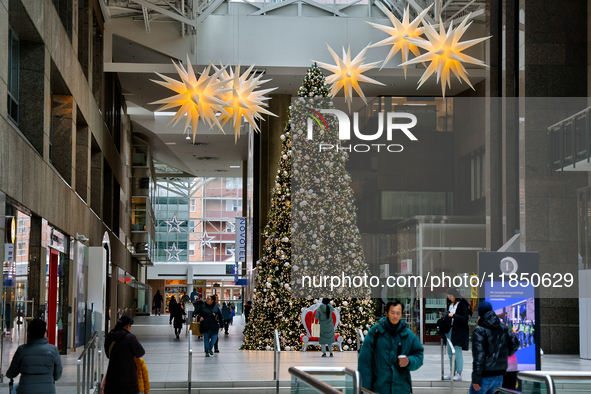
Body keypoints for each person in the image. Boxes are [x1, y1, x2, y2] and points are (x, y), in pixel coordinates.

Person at [358, 300, 424, 394]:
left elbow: (418, 354)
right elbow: (364, 362)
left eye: (398, 313)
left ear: (401, 314)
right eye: (392, 313)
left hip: (401, 388)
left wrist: (409, 361)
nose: (395, 316)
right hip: (379, 387)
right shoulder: (375, 332)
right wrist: (365, 390)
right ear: (386, 313)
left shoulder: (408, 335)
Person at [471, 301, 520, 394]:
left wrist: (476, 379)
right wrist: (507, 353)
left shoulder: (479, 330)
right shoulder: (503, 327)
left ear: (480, 314)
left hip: (484, 376)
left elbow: (479, 357)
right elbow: (515, 343)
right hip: (499, 375)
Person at [6, 319, 62, 394]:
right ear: (45, 333)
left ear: (29, 333)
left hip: (26, 390)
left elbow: (11, 373)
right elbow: (57, 375)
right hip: (48, 390)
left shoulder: (22, 350)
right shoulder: (53, 350)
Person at [104, 315, 146, 394]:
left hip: (112, 377)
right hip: (128, 378)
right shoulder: (130, 338)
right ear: (127, 325)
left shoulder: (110, 337)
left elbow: (108, 354)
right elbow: (140, 352)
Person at [439, 288, 472, 381]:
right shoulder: (451, 304)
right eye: (448, 297)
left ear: (454, 295)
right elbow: (451, 315)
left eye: (450, 296)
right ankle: (452, 372)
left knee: (457, 352)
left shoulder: (462, 304)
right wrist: (445, 315)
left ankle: (459, 373)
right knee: (450, 353)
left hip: (459, 331)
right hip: (451, 330)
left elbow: (465, 318)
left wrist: (454, 316)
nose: (449, 298)